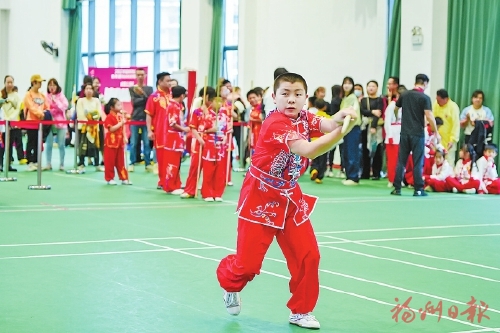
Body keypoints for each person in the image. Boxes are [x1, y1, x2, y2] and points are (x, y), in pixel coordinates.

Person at [216, 73, 357, 329]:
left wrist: (341, 116)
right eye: (285, 94)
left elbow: (326, 123)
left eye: (298, 94)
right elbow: (308, 149)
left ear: (305, 97)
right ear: (274, 97)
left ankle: (302, 311)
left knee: (309, 255)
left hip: (290, 198)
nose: (291, 99)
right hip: (260, 198)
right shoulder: (275, 124)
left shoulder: (304, 116)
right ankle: (229, 285)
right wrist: (341, 134)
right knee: (246, 266)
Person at [390, 74, 440, 196]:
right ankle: (418, 189)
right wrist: (436, 132)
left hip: (405, 132)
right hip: (417, 133)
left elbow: (396, 109)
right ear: (425, 83)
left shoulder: (405, 94)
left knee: (401, 161)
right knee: (418, 161)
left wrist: (398, 118)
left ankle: (397, 188)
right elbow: (429, 115)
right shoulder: (424, 97)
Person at [180, 87, 217, 199]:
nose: (211, 101)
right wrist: (199, 138)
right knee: (195, 167)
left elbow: (216, 128)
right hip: (198, 142)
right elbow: (193, 128)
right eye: (209, 98)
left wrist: (207, 131)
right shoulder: (196, 112)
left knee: (209, 168)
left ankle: (207, 193)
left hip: (210, 144)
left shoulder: (213, 113)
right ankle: (190, 190)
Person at [145, 72, 172, 190]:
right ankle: (162, 181)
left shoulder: (173, 96)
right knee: (162, 157)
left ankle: (172, 180)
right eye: (167, 81)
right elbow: (149, 115)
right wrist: (149, 131)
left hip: (173, 132)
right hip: (161, 132)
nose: (169, 83)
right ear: (160, 82)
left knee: (173, 157)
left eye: (170, 80)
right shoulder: (154, 97)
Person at [163, 86, 189, 194]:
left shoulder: (177, 106)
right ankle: (170, 186)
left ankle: (176, 183)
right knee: (172, 163)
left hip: (177, 138)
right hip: (173, 139)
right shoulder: (173, 106)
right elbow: (172, 123)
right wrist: (184, 129)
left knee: (177, 162)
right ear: (182, 95)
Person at [23, 74, 50, 171]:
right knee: (31, 142)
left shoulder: (42, 95)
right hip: (31, 122)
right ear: (33, 82)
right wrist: (40, 114)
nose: (40, 84)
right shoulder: (28, 95)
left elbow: (47, 107)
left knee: (39, 143)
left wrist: (45, 114)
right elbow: (31, 107)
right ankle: (30, 162)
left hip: (40, 123)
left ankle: (36, 161)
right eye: (39, 82)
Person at [128, 68, 153, 172]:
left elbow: (150, 100)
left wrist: (142, 94)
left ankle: (147, 163)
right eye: (138, 75)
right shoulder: (132, 88)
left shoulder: (149, 89)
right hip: (135, 118)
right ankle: (132, 162)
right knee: (133, 142)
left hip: (146, 119)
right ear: (135, 76)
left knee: (147, 142)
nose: (140, 77)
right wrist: (144, 98)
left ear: (145, 75)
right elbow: (134, 102)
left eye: (142, 75)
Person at [103, 98, 131, 185]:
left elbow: (123, 128)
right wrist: (120, 123)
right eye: (118, 105)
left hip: (119, 142)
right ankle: (109, 178)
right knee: (110, 162)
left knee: (121, 162)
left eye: (120, 105)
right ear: (111, 107)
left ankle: (124, 178)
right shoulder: (109, 117)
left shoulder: (120, 116)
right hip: (111, 143)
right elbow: (111, 129)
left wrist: (125, 137)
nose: (120, 106)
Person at [76, 83, 103, 172]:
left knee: (95, 146)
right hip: (83, 127)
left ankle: (97, 164)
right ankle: (81, 163)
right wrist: (87, 120)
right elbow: (80, 114)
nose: (89, 91)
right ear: (84, 90)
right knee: (82, 145)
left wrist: (93, 120)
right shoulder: (80, 101)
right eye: (87, 89)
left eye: (90, 89)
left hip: (94, 128)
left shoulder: (96, 101)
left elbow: (98, 113)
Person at [340, 76, 361, 185]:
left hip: (352, 128)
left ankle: (353, 177)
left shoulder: (352, 97)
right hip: (347, 128)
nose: (347, 85)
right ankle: (349, 175)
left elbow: (349, 114)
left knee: (352, 152)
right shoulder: (345, 98)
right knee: (347, 152)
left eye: (349, 83)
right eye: (345, 83)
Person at [43, 78, 68, 171]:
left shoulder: (61, 96)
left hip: (61, 123)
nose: (52, 87)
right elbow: (45, 108)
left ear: (57, 86)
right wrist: (52, 110)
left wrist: (56, 102)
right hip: (49, 123)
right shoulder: (45, 96)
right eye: (50, 85)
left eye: (54, 85)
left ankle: (62, 164)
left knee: (61, 144)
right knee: (48, 144)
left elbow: (64, 107)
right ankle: (48, 163)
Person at [0, 75, 24, 171]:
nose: (9, 84)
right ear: (4, 83)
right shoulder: (1, 95)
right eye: (8, 82)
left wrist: (10, 119)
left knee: (9, 145)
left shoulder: (17, 96)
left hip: (13, 124)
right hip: (2, 125)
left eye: (11, 82)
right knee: (1, 145)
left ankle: (8, 164)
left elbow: (18, 109)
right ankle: (0, 164)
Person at [433, 89, 460, 166]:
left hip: (449, 141)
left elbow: (456, 125)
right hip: (437, 139)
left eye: (439, 100)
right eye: (436, 100)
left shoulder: (453, 107)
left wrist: (452, 139)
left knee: (448, 163)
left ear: (446, 99)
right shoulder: (435, 104)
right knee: (436, 162)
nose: (437, 102)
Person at [309, 98, 331, 184]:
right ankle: (319, 176)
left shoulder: (313, 116)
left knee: (315, 157)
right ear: (325, 107)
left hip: (314, 140)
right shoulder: (328, 117)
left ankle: (314, 169)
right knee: (323, 159)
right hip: (324, 141)